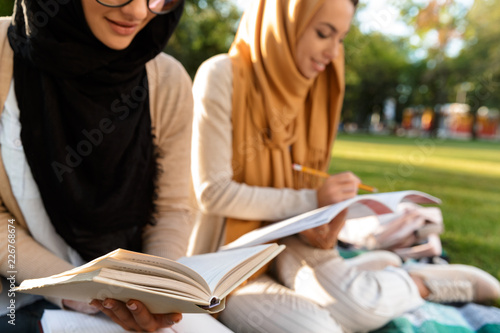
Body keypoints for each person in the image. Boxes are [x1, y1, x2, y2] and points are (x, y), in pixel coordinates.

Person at [190, 0, 500, 332]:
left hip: (292, 239)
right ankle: (387, 276)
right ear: (283, 23)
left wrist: (328, 214)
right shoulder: (221, 74)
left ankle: (419, 282)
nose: (332, 52)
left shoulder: (319, 86)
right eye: (324, 34)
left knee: (361, 307)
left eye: (340, 38)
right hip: (226, 262)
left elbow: (302, 179)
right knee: (317, 329)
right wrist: (313, 200)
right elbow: (214, 192)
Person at [0, 0, 193, 331]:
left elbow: (171, 210)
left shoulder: (169, 80)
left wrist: (155, 291)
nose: (137, 13)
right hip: (19, 301)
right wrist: (78, 288)